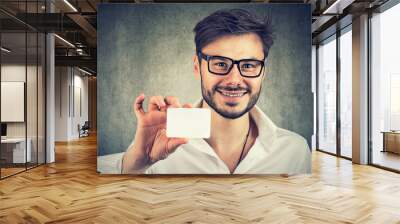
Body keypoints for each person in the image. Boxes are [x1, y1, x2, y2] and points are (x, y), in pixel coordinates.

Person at [121, 8, 311, 174]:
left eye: (249, 65)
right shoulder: (158, 145)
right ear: (197, 67)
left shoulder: (294, 150)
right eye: (220, 63)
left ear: (263, 72)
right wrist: (137, 164)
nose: (234, 80)